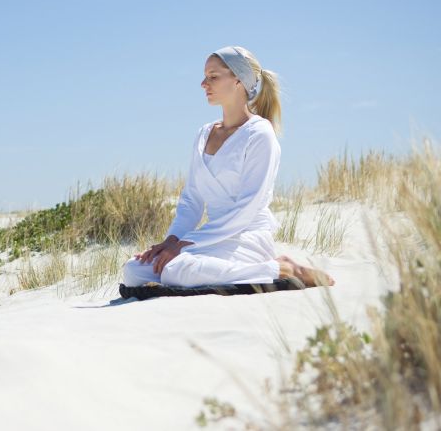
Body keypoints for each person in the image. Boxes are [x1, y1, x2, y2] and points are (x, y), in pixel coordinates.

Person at [122, 46, 334, 289]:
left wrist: (185, 244)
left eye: (213, 76)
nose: (204, 83)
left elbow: (248, 206)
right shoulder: (203, 134)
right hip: (210, 238)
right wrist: (172, 240)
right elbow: (191, 199)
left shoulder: (260, 134)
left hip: (246, 237)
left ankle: (282, 268)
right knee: (134, 271)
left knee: (177, 270)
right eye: (204, 76)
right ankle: (247, 269)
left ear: (238, 81)